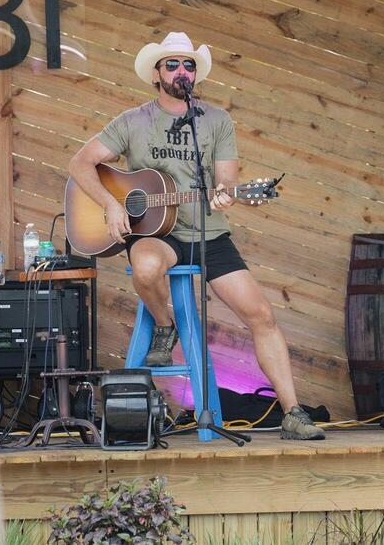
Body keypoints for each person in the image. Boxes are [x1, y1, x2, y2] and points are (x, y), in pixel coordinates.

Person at [68, 32, 325, 441]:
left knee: (262, 315)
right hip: (157, 233)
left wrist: (227, 195)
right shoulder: (133, 121)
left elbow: (227, 182)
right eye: (172, 64)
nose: (181, 71)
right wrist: (111, 204)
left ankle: (293, 412)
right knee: (146, 266)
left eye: (188, 65)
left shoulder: (216, 121)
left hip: (209, 233)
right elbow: (81, 163)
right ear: (157, 73)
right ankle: (164, 324)